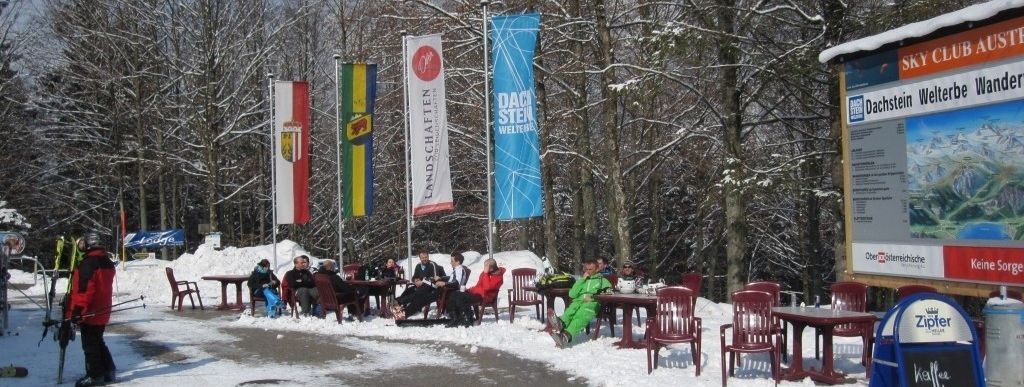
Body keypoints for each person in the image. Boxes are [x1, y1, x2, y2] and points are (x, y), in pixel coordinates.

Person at [68, 232, 116, 387]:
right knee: (98, 341)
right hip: (103, 309)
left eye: (83, 243)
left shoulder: (88, 264)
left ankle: (95, 375)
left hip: (91, 311)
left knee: (90, 345)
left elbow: (84, 291)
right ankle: (108, 369)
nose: (82, 246)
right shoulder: (106, 261)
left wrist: (77, 311)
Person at [548, 258, 612, 348]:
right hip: (579, 301)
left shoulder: (602, 281)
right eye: (587, 269)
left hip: (592, 304)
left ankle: (566, 336)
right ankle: (561, 323)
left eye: (591, 269)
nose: (588, 271)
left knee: (580, 316)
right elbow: (572, 294)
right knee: (571, 310)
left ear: (597, 269)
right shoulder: (583, 280)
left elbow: (610, 291)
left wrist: (595, 295)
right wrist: (582, 280)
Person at [445, 258, 505, 327]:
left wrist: (486, 274)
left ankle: (469, 318)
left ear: (491, 268)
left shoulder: (498, 278)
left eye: (486, 266)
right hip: (477, 294)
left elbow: (487, 288)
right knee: (455, 293)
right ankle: (455, 317)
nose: (484, 268)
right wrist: (468, 290)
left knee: (462, 297)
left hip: (485, 297)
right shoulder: (485, 273)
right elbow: (478, 286)